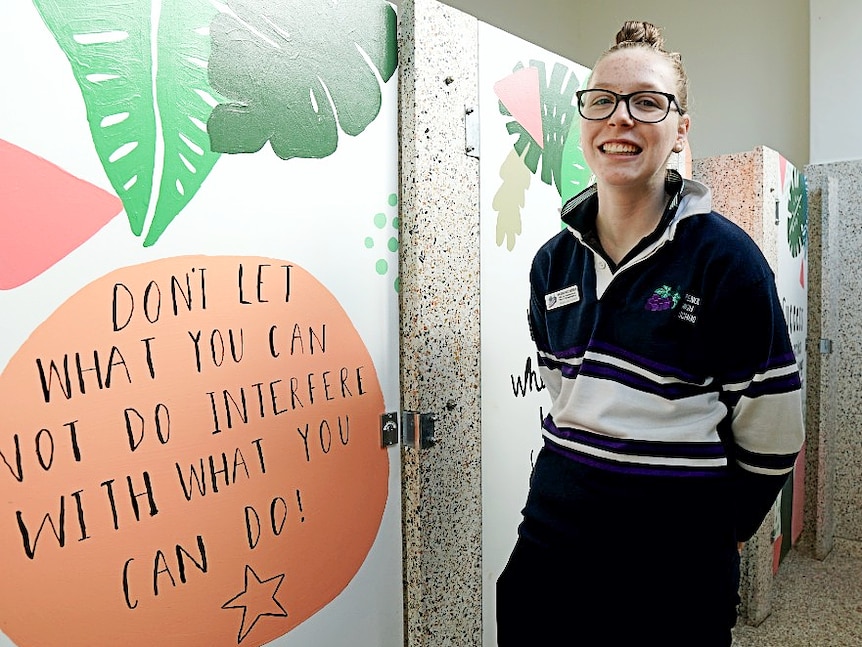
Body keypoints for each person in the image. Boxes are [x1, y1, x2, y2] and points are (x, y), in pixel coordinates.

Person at [496, 20, 805, 647]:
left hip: (674, 572)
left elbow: (771, 435)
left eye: (647, 102)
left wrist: (716, 531)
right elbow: (567, 395)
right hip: (551, 548)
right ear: (584, 116)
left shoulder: (727, 261)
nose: (620, 119)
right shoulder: (552, 263)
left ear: (680, 128)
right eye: (603, 100)